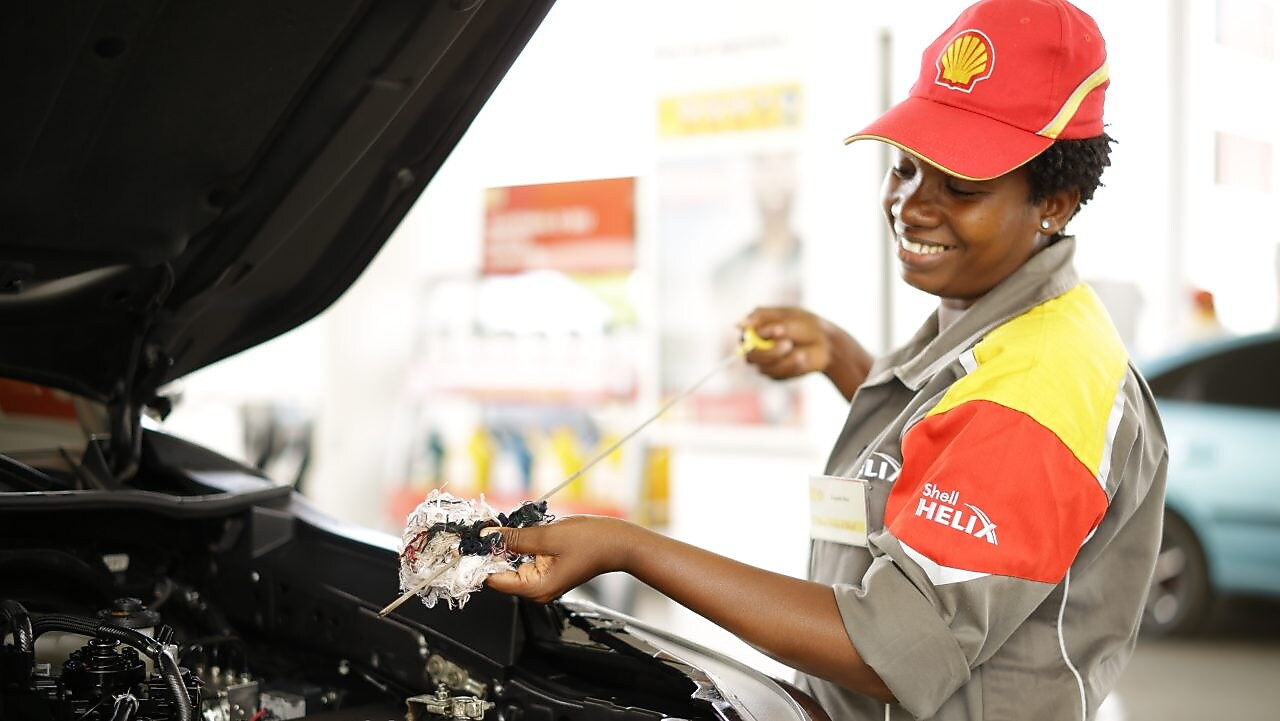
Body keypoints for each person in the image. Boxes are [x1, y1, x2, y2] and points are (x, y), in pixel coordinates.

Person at [485, 1, 1168, 719]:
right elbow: (951, 453)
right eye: (904, 168)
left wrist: (630, 549)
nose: (912, 205)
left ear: (1055, 202)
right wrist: (844, 359)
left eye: (960, 188)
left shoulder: (1044, 383)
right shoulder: (995, 320)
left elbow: (884, 644)